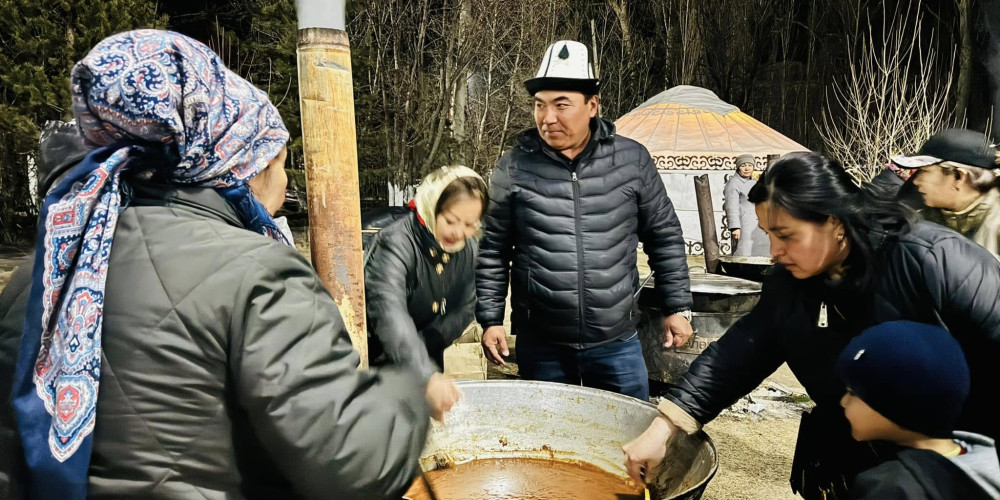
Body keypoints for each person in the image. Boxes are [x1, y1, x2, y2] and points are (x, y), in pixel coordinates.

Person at [1, 30, 454, 500]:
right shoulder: (262, 276)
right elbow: (353, 465)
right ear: (241, 165)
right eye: (279, 162)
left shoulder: (45, 274)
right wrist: (408, 392)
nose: (285, 183)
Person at [622, 152, 1000, 499]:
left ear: (835, 221)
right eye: (768, 235)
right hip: (856, 460)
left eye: (786, 235)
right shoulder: (789, 286)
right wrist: (664, 428)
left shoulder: (933, 261)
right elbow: (736, 355)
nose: (774, 251)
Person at [475, 40, 693, 401]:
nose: (547, 118)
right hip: (542, 343)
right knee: (547, 433)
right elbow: (493, 251)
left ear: (592, 106)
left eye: (561, 105)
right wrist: (491, 319)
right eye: (540, 105)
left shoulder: (632, 160)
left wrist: (677, 307)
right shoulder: (514, 167)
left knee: (625, 430)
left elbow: (664, 236)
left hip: (616, 341)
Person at [836, 321, 1000, 500]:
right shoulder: (983, 458)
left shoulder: (891, 489)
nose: (843, 402)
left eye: (852, 392)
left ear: (897, 408)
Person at [364, 165, 486, 378]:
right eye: (450, 221)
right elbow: (388, 311)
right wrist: (419, 365)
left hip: (428, 356)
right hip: (381, 358)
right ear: (431, 208)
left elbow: (466, 304)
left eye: (469, 224)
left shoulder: (468, 248)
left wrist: (432, 341)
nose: (458, 232)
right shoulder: (395, 243)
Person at [893, 128, 1000, 259]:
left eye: (925, 171)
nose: (916, 181)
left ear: (959, 177)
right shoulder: (915, 212)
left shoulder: (995, 225)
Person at [723, 154, 768, 256]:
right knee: (744, 251)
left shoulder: (755, 182)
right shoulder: (733, 183)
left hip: (757, 224)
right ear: (738, 167)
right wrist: (735, 227)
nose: (747, 168)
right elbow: (731, 206)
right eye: (743, 166)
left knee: (758, 251)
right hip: (744, 224)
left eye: (749, 165)